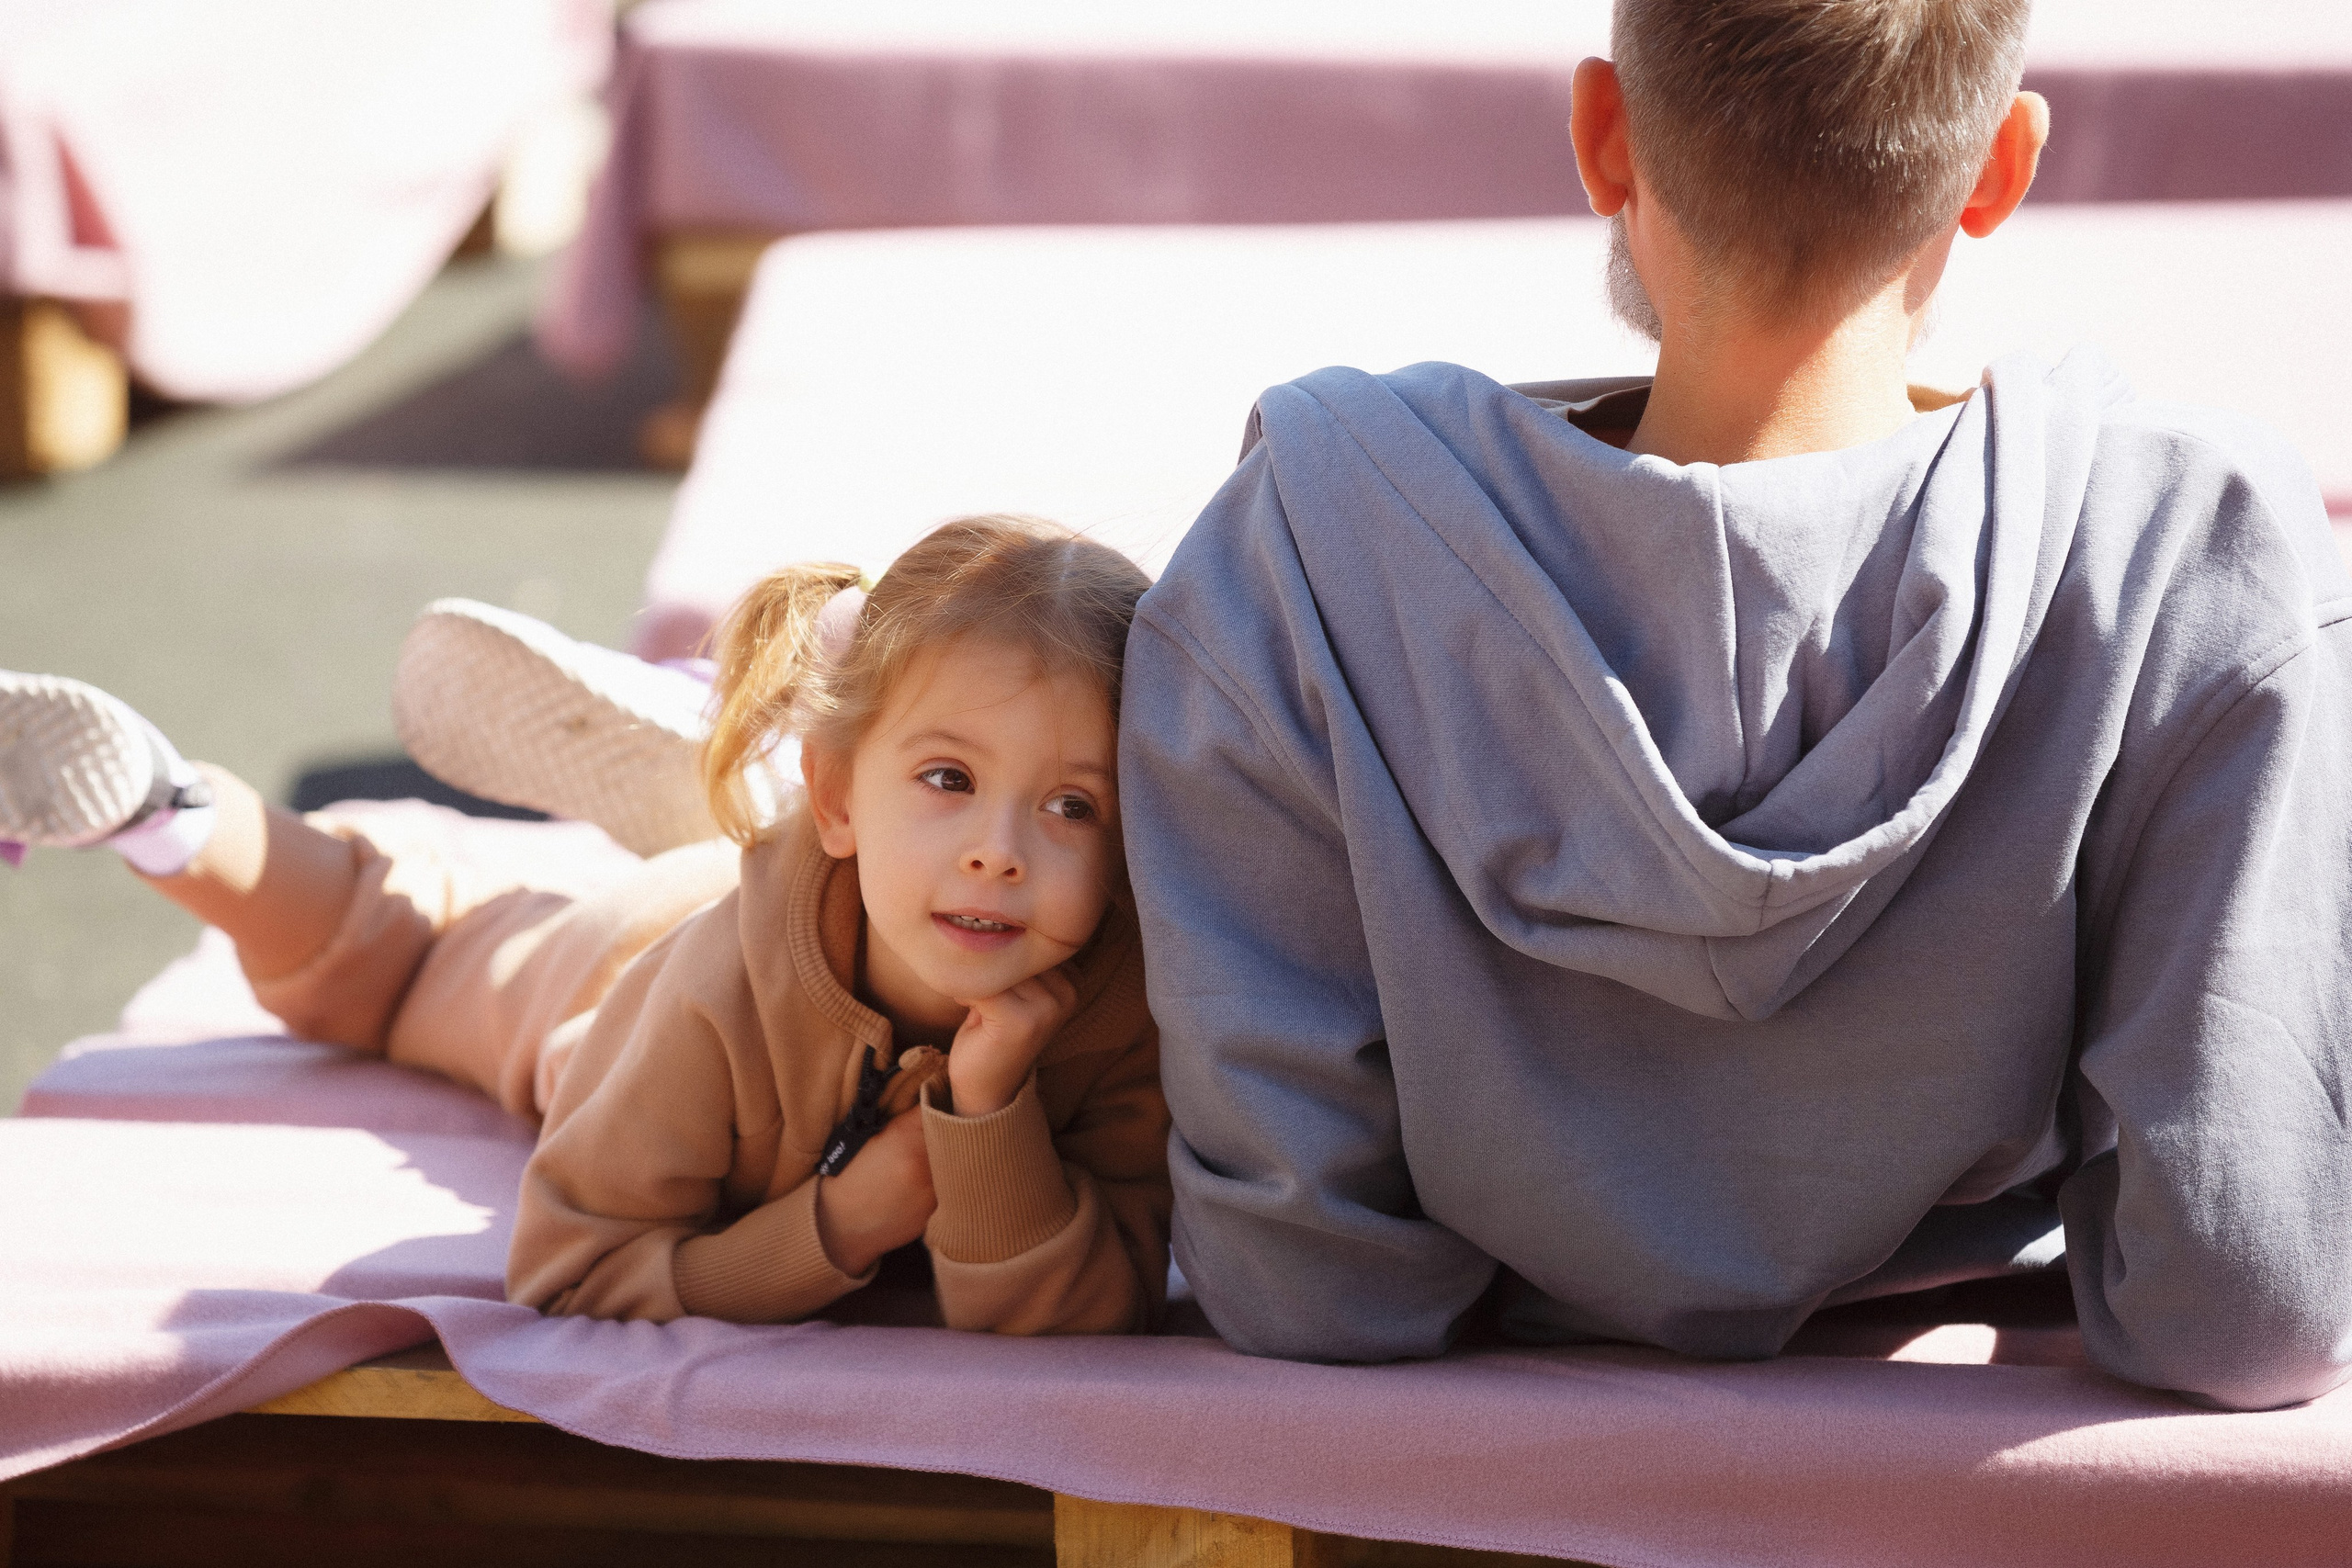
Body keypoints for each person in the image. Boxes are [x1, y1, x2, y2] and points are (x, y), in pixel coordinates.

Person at [1117, 0, 2352, 1410]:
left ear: (1601, 134)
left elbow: (1300, 1275)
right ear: (2002, 165)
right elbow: (2248, 1302)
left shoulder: (1300, 551)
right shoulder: (2190, 555)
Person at [0, 514, 1170, 1333]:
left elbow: (1066, 1316)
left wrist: (992, 1113)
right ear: (838, 795)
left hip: (823, 883)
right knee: (394, 956)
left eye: (1073, 805)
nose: (1000, 851)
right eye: (949, 779)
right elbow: (578, 1264)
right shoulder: (700, 1000)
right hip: (613, 971)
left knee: (728, 864)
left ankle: (724, 779)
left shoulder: (1120, 1012)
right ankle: (172, 812)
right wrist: (839, 1224)